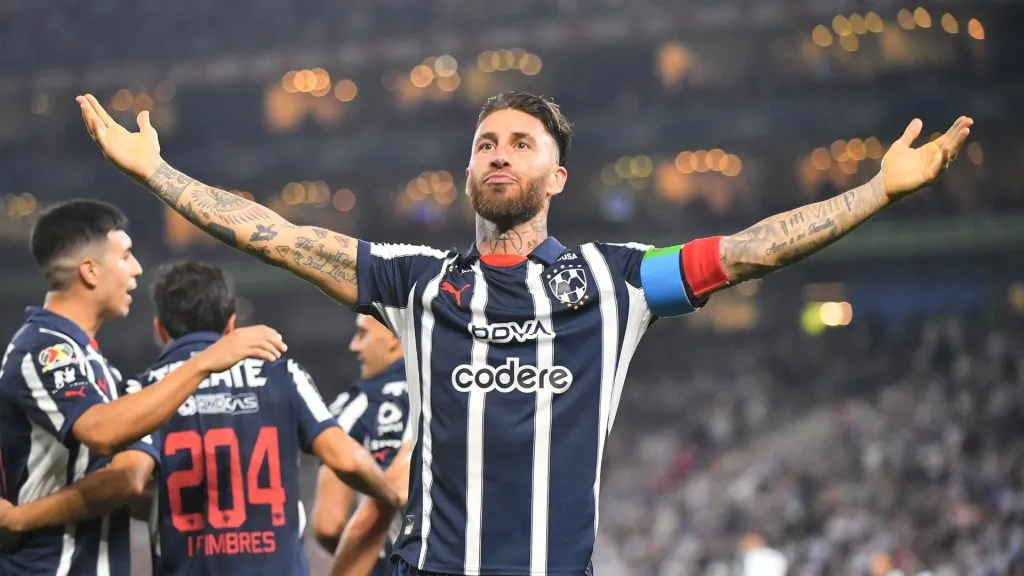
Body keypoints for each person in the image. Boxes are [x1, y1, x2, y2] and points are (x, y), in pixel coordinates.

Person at [75, 91, 973, 575]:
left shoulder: (618, 281)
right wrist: (160, 175)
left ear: (557, 175)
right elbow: (273, 233)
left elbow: (748, 252)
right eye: (484, 144)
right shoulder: (416, 282)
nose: (497, 153)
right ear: (468, 174)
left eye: (519, 143)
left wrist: (874, 193)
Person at [0, 200, 286, 575]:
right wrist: (204, 362)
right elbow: (101, 431)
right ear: (90, 270)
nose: (137, 269)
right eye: (126, 256)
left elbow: (130, 480)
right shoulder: (44, 349)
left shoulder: (100, 368)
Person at [134, 261, 403, 576]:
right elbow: (348, 461)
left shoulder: (143, 392)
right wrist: (391, 495)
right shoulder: (283, 375)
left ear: (160, 329)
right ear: (230, 326)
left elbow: (129, 482)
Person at [311, 313, 410, 573]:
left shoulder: (356, 405)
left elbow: (328, 523)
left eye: (363, 334)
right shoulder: (458, 391)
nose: (354, 345)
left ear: (393, 337)